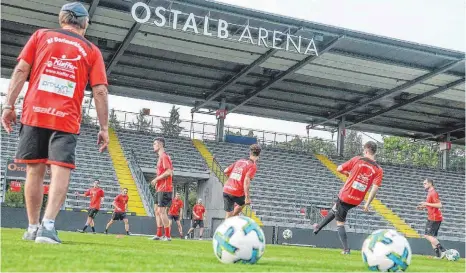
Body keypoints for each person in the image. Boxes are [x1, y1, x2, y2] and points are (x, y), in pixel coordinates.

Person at [1, 2, 109, 244]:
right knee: (61, 169)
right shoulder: (91, 50)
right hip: (66, 118)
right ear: (84, 23)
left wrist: (8, 106)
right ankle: (48, 227)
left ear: (62, 19)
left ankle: (32, 227)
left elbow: (20, 71)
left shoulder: (41, 36)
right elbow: (100, 92)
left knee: (34, 170)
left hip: (34, 113)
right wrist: (103, 128)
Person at [312, 141, 383, 255]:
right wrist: (367, 204)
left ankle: (346, 249)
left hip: (345, 196)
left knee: (340, 222)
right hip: (357, 200)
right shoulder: (378, 169)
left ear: (365, 150)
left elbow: (339, 169)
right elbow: (375, 188)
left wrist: (347, 174)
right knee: (336, 209)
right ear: (375, 152)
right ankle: (318, 227)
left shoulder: (357, 159)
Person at [223, 144, 261, 218]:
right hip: (236, 192)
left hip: (226, 189)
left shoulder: (239, 161)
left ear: (250, 153)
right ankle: (233, 216)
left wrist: (230, 177)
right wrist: (247, 197)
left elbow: (225, 171)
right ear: (259, 155)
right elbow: (246, 181)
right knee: (244, 202)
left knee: (228, 217)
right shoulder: (252, 166)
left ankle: (228, 221)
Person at [150, 137, 174, 241]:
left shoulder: (164, 157)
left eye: (154, 144)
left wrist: (156, 179)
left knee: (162, 211)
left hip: (165, 188)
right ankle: (159, 234)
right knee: (156, 210)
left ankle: (168, 236)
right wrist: (157, 182)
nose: (153, 145)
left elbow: (169, 172)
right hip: (160, 188)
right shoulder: (160, 158)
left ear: (160, 145)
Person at [416, 178, 446, 259]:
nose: (423, 185)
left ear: (430, 184)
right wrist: (423, 207)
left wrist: (426, 203)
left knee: (427, 235)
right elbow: (431, 204)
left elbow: (440, 205)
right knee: (432, 237)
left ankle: (443, 250)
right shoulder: (429, 192)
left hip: (434, 217)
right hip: (432, 217)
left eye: (425, 183)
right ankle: (438, 256)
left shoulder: (433, 193)